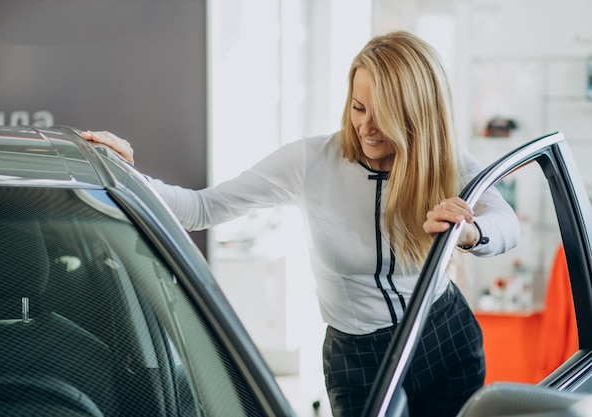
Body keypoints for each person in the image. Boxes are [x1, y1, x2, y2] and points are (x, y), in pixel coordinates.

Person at [82, 30, 519, 417]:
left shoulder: (442, 161)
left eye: (381, 114)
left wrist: (471, 232)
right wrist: (127, 175)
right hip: (358, 355)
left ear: (415, 116)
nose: (365, 127)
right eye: (357, 107)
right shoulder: (311, 161)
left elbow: (506, 223)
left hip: (444, 334)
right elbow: (201, 208)